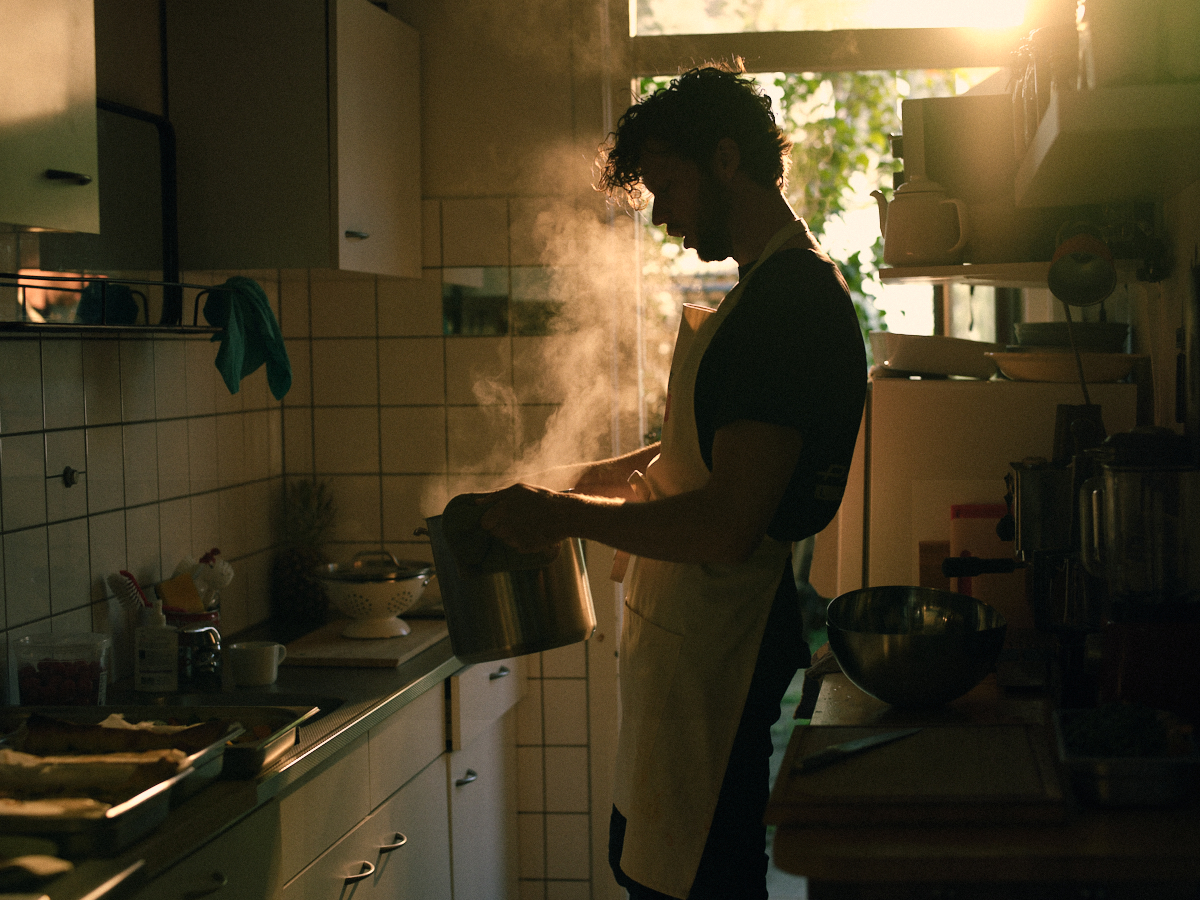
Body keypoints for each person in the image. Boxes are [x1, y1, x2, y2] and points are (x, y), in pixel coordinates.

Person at [477, 60, 867, 900]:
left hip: (721, 659)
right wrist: (555, 488)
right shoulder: (759, 291)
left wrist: (563, 516)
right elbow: (681, 460)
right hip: (688, 654)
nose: (662, 216)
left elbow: (728, 523)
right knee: (661, 875)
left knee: (702, 885)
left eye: (668, 186)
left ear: (727, 159)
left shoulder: (789, 303)